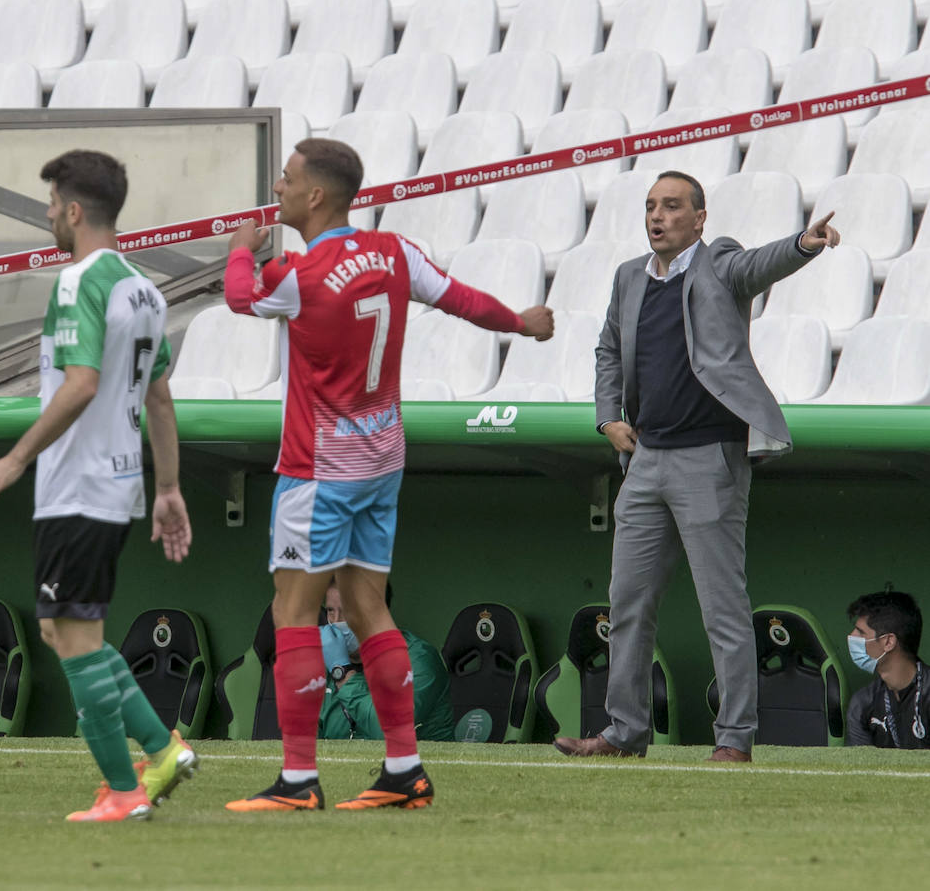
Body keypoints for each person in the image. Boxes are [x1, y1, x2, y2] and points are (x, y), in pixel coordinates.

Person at [222, 138, 554, 812]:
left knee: (294, 613)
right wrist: (519, 321)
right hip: (381, 458)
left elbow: (237, 297)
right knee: (370, 608)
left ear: (316, 195)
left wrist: (240, 245)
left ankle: (296, 781)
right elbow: (459, 298)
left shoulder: (296, 273)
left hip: (317, 469)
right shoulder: (394, 253)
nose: (277, 190)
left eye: (286, 180)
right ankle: (404, 770)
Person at [556, 170, 841, 763]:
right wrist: (607, 417)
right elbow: (609, 349)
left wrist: (803, 245)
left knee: (723, 607)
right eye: (651, 206)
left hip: (710, 458)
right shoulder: (628, 277)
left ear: (699, 219)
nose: (657, 216)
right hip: (645, 462)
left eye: (672, 206)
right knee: (627, 602)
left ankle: (734, 739)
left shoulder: (721, 262)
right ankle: (624, 732)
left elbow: (758, 266)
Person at [0, 149, 195, 823]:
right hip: (116, 489)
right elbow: (160, 398)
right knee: (65, 630)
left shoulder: (78, 282)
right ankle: (160, 749)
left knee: (76, 642)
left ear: (73, 210)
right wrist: (168, 488)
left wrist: (15, 459)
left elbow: (82, 383)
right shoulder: (145, 290)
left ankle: (127, 790)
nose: (45, 216)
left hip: (77, 487)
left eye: (50, 204)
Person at [319, 581, 454, 743]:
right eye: (330, 611)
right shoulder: (325, 661)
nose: (336, 621)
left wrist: (342, 672)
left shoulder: (418, 659)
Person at [846, 590, 930, 749]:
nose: (851, 636)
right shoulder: (862, 703)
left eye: (860, 632)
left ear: (888, 642)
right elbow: (859, 769)